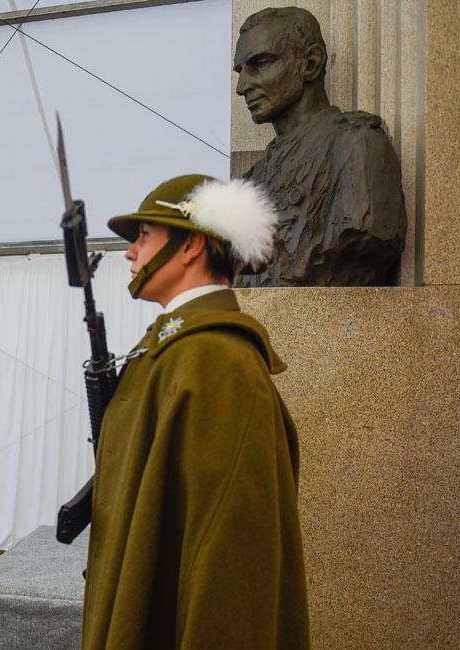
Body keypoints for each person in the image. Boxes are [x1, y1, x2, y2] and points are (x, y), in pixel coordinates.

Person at [80, 175, 309, 649]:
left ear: (191, 246)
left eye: (144, 236)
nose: (130, 253)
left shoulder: (217, 361)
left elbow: (229, 564)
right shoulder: (177, 347)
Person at [234, 7, 406, 286]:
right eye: (241, 71)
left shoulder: (357, 143)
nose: (242, 86)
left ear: (310, 63)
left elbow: (367, 236)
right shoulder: (250, 183)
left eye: (260, 63)